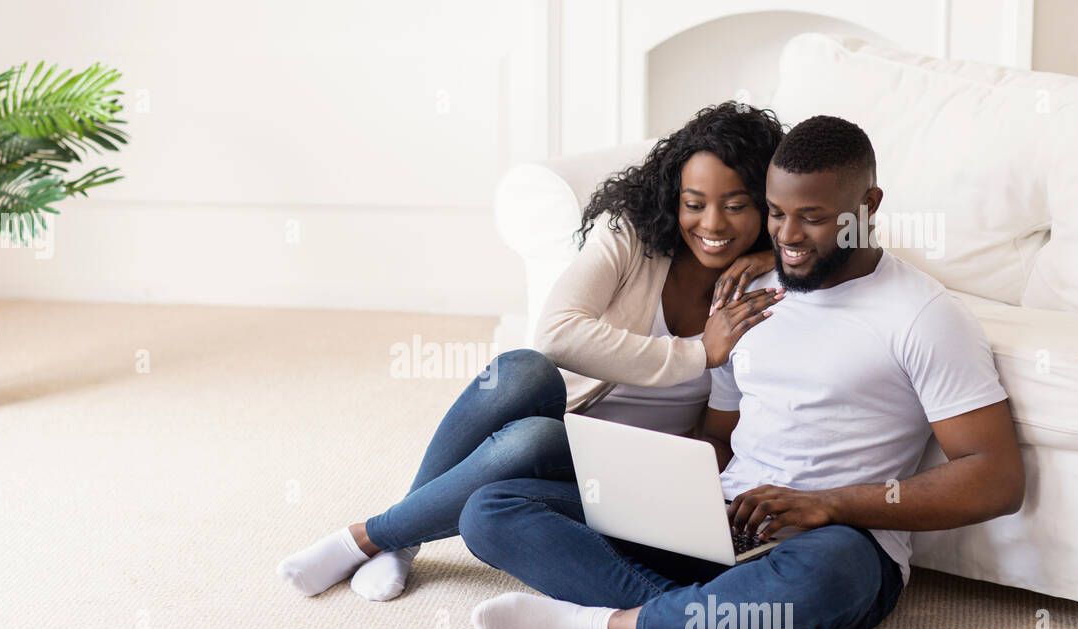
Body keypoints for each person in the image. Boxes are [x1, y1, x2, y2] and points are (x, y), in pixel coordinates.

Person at [457, 115, 1025, 629]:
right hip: (721, 522)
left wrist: (825, 505)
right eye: (777, 214)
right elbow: (720, 435)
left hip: (836, 540)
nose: (789, 237)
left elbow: (996, 479)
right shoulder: (748, 297)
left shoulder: (923, 315)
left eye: (814, 217)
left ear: (869, 205)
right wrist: (667, 492)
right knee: (494, 508)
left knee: (833, 576)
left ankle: (604, 626)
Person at [277, 103, 787, 601]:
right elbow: (557, 334)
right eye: (694, 204)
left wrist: (775, 253)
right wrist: (697, 352)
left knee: (533, 440)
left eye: (736, 205)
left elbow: (848, 246)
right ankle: (400, 534)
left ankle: (366, 537)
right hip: (570, 431)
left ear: (767, 204)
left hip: (637, 469)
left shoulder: (759, 291)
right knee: (523, 371)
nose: (712, 224)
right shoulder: (630, 234)